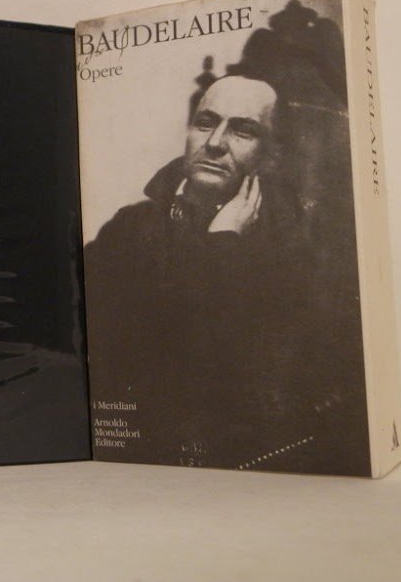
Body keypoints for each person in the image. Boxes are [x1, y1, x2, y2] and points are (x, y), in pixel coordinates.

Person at [84, 73, 368, 474]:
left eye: (243, 131)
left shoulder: (292, 250)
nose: (215, 143)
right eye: (206, 123)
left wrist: (223, 245)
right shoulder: (128, 228)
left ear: (270, 155)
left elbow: (238, 380)